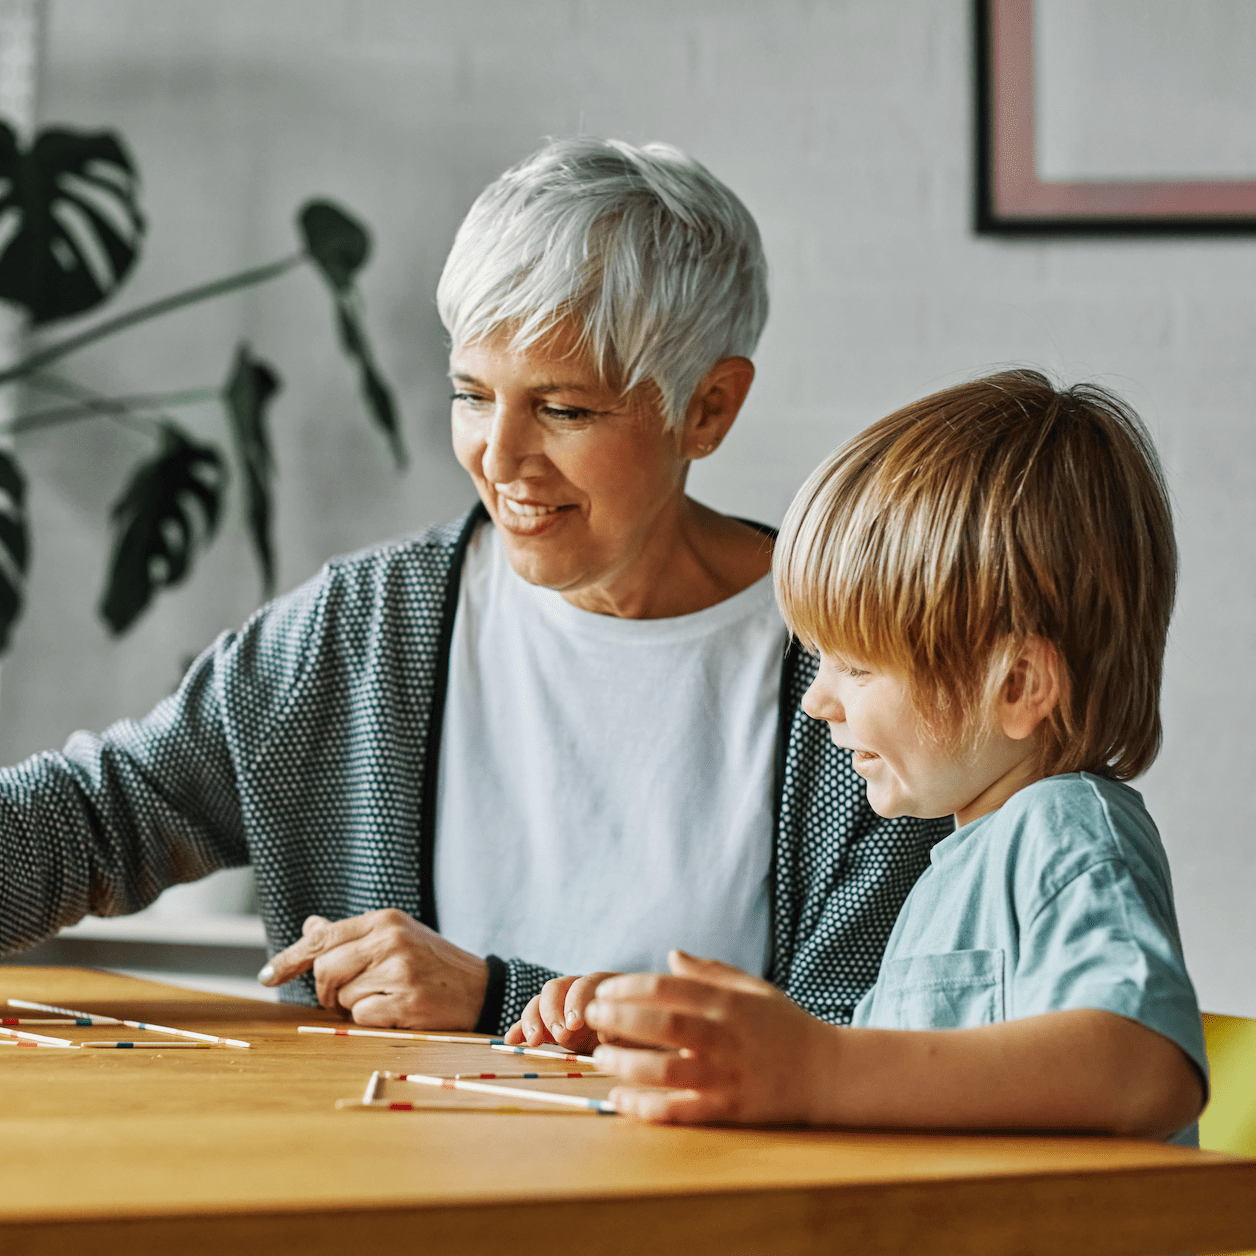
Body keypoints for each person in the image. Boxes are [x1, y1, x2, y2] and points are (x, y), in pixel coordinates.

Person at [0, 137, 947, 1035]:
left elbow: (859, 1037)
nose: (499, 460)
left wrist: (499, 999)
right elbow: (95, 813)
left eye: (564, 408)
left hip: (706, 1203)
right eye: (471, 394)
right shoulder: (365, 628)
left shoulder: (860, 672)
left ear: (708, 407)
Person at [527, 371, 1208, 1144]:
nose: (819, 700)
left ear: (1016, 685)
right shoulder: (959, 864)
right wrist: (680, 1035)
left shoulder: (1065, 831)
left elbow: (1145, 1069)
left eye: (857, 667)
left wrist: (821, 1068)